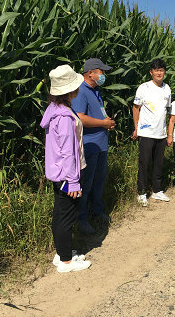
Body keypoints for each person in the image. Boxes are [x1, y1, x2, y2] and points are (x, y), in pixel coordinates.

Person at [40, 64, 91, 272]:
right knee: (66, 216)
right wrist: (73, 181)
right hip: (66, 174)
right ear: (69, 90)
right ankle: (66, 262)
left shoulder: (55, 109)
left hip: (58, 172)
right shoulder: (64, 117)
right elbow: (68, 152)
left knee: (60, 214)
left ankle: (62, 252)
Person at [71, 58, 115, 234]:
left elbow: (97, 116)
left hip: (100, 144)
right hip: (89, 145)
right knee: (86, 183)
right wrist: (103, 123)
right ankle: (82, 219)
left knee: (99, 180)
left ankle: (97, 211)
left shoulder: (95, 91)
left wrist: (106, 123)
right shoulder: (81, 91)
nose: (103, 75)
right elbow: (79, 117)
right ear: (91, 73)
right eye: (101, 72)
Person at [132, 58, 172, 207]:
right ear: (151, 72)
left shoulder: (167, 88)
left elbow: (166, 111)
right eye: (156, 70)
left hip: (160, 133)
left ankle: (157, 190)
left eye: (161, 70)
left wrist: (168, 132)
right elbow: (136, 108)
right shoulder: (144, 88)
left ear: (164, 72)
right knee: (144, 163)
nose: (159, 73)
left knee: (158, 164)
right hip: (146, 132)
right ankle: (141, 193)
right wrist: (136, 127)